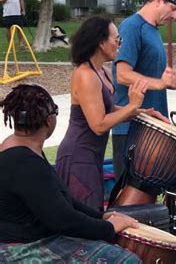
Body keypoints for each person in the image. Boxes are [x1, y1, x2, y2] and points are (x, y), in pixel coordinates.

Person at [0, 83, 141, 262]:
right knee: (127, 260)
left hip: (30, 238)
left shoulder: (16, 148)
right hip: (20, 249)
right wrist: (108, 227)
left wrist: (101, 216)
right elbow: (63, 219)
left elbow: (61, 199)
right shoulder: (26, 163)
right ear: (49, 120)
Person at [112, 0, 176, 183]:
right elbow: (122, 74)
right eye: (173, 8)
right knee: (129, 201)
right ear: (159, 0)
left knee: (149, 201)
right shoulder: (132, 27)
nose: (175, 16)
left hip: (155, 129)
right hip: (130, 128)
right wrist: (159, 83)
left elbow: (163, 79)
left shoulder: (153, 30)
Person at [55, 15, 148, 212]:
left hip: (91, 156)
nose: (119, 45)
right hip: (78, 157)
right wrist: (131, 106)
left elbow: (106, 110)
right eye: (117, 40)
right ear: (101, 42)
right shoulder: (86, 76)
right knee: (85, 218)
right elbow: (98, 125)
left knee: (94, 212)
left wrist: (141, 113)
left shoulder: (103, 71)